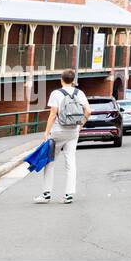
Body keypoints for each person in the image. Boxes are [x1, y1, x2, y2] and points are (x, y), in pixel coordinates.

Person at [37, 70, 91, 205]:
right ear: (73, 80)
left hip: (57, 131)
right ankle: (69, 195)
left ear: (61, 79)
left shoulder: (56, 94)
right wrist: (80, 126)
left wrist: (46, 133)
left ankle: (46, 194)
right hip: (73, 131)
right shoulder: (80, 93)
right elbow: (88, 111)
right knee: (70, 161)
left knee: (50, 161)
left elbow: (53, 114)